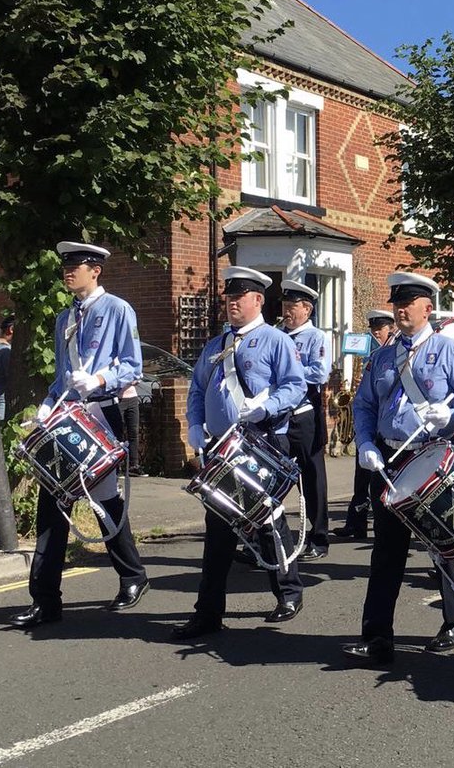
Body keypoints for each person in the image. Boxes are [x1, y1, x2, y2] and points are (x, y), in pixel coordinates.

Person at [342, 273, 454, 665]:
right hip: (388, 460)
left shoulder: (448, 350)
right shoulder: (383, 355)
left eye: (410, 302)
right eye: (397, 303)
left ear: (428, 308)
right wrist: (366, 443)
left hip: (432, 457)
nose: (401, 309)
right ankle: (376, 634)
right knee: (386, 552)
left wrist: (450, 416)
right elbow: (364, 404)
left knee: (443, 544)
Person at [10, 242, 149, 629]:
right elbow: (62, 375)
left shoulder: (118, 309)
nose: (68, 271)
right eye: (66, 266)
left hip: (102, 411)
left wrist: (100, 378)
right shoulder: (64, 318)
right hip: (69, 414)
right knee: (52, 504)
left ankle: (133, 575)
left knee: (104, 502)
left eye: (77, 265)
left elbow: (132, 366)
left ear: (96, 270)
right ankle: (45, 600)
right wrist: (47, 403)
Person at [172, 266, 307, 639]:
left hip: (261, 442)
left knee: (266, 521)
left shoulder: (276, 341)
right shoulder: (216, 345)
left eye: (239, 297)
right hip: (221, 446)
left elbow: (296, 387)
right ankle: (208, 613)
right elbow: (198, 389)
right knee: (218, 530)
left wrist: (268, 406)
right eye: (228, 297)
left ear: (258, 300)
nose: (231, 303)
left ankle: (289, 591)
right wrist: (194, 424)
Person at [279, 279, 331, 561]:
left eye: (292, 307)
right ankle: (270, 538)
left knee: (312, 477)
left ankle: (319, 537)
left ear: (306, 309)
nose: (286, 312)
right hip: (278, 417)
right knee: (275, 476)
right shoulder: (277, 335)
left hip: (304, 414)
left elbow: (320, 373)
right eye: (284, 306)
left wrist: (288, 369)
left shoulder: (316, 338)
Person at [336, 309, 395, 540]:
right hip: (369, 422)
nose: (375, 334)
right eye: (373, 330)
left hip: (385, 423)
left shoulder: (393, 353)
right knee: (361, 475)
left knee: (376, 479)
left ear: (390, 329)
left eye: (379, 330)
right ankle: (356, 521)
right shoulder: (373, 354)